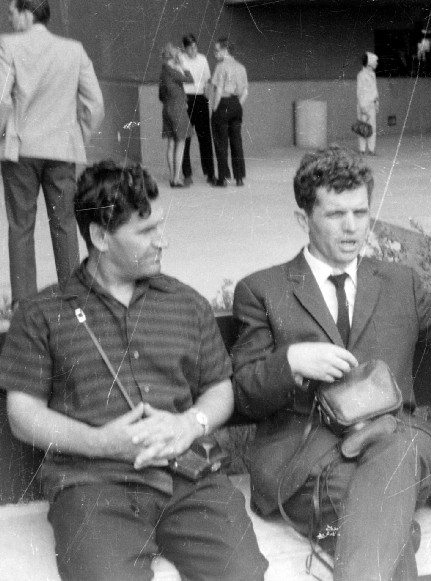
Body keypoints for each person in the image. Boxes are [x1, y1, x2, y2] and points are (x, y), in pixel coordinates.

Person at [230, 145, 431, 581]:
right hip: (310, 461)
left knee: (387, 471)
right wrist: (291, 362)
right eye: (336, 214)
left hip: (398, 443)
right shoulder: (263, 290)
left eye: (360, 212)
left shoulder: (399, 282)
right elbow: (245, 392)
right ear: (303, 219)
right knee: (385, 517)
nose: (352, 226)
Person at [0, 161, 268, 581]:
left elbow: (220, 388)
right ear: (100, 236)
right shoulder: (42, 314)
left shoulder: (186, 303)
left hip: (189, 478)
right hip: (92, 486)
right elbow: (22, 413)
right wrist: (98, 441)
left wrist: (189, 424)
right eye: (146, 231)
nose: (163, 240)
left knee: (242, 573)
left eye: (161, 226)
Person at [0, 0, 104, 306]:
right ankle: (73, 299)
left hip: (21, 151)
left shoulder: (7, 45)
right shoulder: (74, 49)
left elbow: (1, 100)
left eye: (11, 13)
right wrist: (77, 137)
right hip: (61, 149)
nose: (9, 20)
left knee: (21, 226)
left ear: (25, 13)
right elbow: (96, 105)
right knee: (64, 223)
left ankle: (24, 305)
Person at [210, 37, 248, 187]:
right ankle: (239, 177)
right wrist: (237, 105)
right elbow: (245, 92)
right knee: (236, 141)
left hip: (223, 104)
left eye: (217, 50)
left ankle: (223, 177)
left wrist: (215, 108)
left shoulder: (221, 67)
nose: (215, 53)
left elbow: (218, 90)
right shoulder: (241, 67)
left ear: (225, 50)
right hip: (236, 104)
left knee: (221, 142)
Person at [180, 33, 215, 186]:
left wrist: (208, 99)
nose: (193, 51)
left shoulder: (203, 59)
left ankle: (210, 173)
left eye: (195, 47)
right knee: (185, 139)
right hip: (186, 99)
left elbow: (207, 81)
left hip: (201, 99)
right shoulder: (180, 60)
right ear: (184, 48)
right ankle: (187, 174)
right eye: (190, 48)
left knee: (205, 138)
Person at [158, 43, 193, 188]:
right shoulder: (173, 71)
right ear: (173, 58)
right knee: (181, 142)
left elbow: (161, 96)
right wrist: (183, 65)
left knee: (171, 143)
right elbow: (190, 79)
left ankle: (172, 177)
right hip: (178, 109)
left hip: (167, 109)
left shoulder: (163, 72)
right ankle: (177, 178)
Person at [356, 51, 379, 154]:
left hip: (372, 104)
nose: (376, 63)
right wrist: (362, 106)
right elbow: (359, 92)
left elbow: (374, 90)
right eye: (375, 62)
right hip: (364, 105)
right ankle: (362, 149)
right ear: (369, 63)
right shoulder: (361, 75)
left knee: (372, 127)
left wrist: (376, 102)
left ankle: (371, 149)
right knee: (363, 126)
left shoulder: (373, 74)